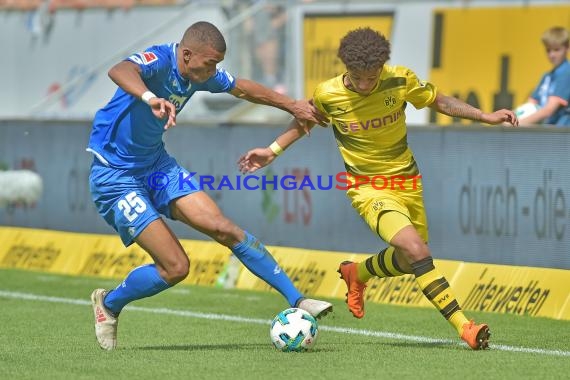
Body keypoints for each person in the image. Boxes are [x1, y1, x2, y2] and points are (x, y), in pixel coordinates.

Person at [238, 27, 518, 350]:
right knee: (417, 251)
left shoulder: (400, 81)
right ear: (346, 67)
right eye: (358, 78)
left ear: (382, 67)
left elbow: (438, 100)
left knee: (407, 259)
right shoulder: (328, 94)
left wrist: (484, 115)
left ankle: (358, 273)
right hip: (368, 188)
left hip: (409, 182)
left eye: (372, 78)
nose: (365, 85)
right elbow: (304, 121)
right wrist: (271, 151)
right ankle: (465, 327)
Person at [87, 21, 331, 351]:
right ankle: (110, 305)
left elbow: (243, 88)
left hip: (157, 167)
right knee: (176, 268)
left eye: (217, 63)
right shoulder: (158, 60)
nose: (215, 70)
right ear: (187, 55)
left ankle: (298, 300)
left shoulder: (198, 72)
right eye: (210, 63)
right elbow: (120, 70)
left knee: (224, 228)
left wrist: (292, 106)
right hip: (114, 175)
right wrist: (149, 96)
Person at [518, 26, 570, 127]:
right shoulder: (547, 76)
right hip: (549, 132)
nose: (552, 55)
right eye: (548, 50)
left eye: (556, 50)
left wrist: (515, 123)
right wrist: (510, 117)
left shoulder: (567, 73)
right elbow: (530, 106)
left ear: (567, 48)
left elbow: (548, 110)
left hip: (562, 135)